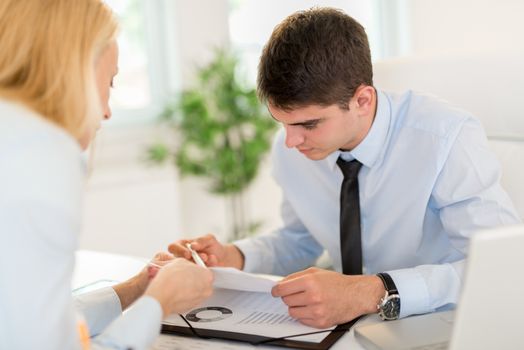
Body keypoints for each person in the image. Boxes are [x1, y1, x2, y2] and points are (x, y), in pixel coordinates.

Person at [168, 7, 521, 329]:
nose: (290, 141)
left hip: (444, 323)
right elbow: (300, 239)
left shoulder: (445, 139)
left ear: (362, 100)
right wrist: (237, 256)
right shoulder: (292, 147)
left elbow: (506, 269)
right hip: (349, 330)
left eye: (308, 124)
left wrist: (371, 291)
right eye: (282, 123)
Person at [0, 1, 213, 349]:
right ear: (74, 67)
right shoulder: (42, 155)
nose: (107, 111)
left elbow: (45, 322)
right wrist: (158, 304)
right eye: (110, 81)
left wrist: (140, 287)